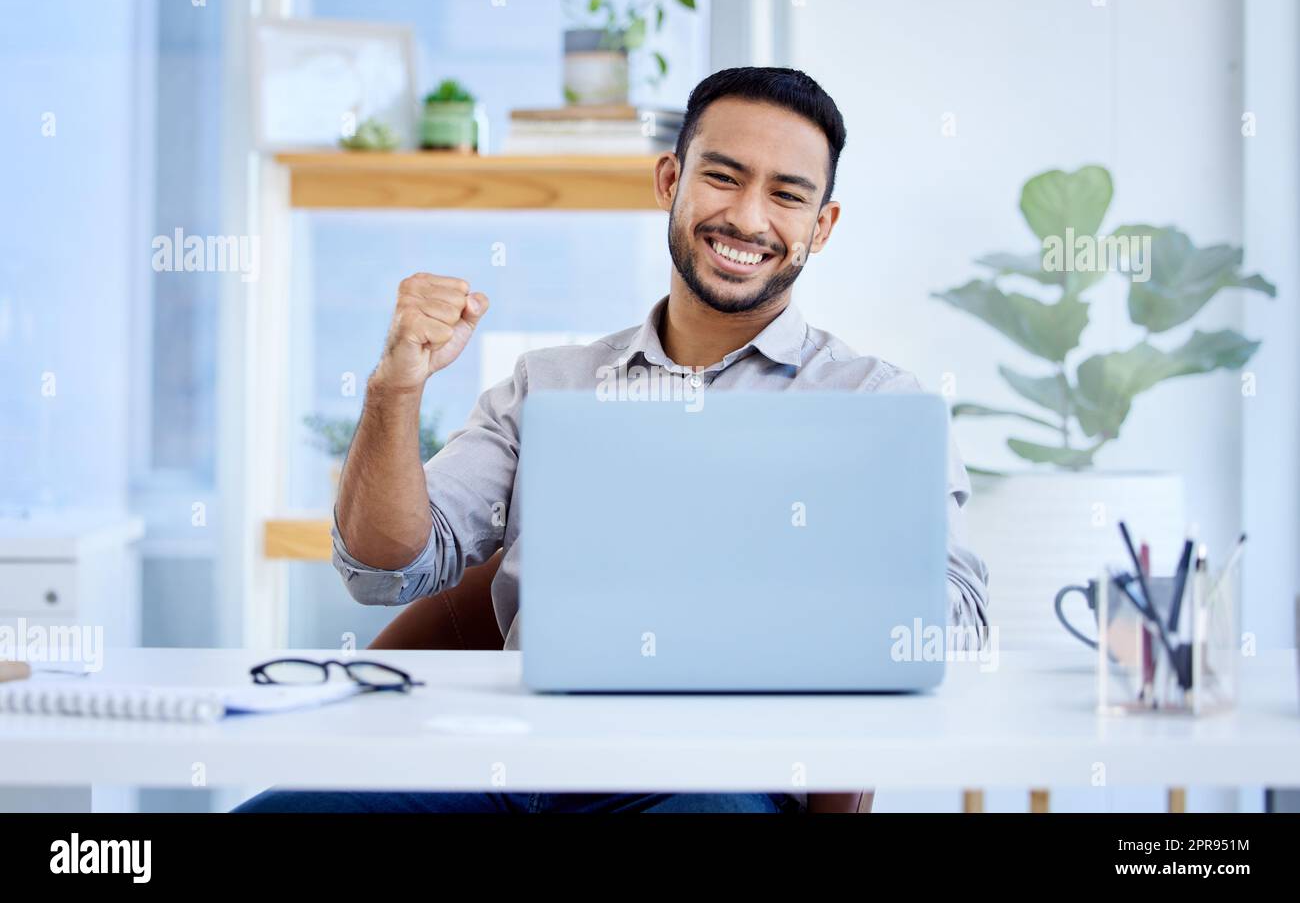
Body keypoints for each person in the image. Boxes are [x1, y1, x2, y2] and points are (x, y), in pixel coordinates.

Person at [233, 66, 989, 815]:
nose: (750, 219)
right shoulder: (549, 383)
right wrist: (394, 389)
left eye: (787, 194)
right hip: (507, 766)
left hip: (710, 780)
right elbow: (380, 569)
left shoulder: (873, 403)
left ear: (819, 227)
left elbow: (959, 629)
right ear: (670, 180)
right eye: (723, 177)